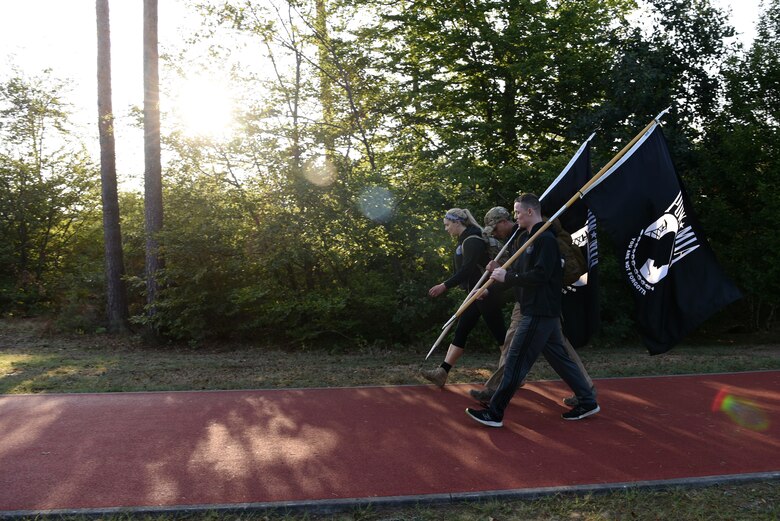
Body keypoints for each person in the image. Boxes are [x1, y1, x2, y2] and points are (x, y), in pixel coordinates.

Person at [465, 194, 599, 427]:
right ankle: (587, 401)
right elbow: (520, 275)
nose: (515, 217)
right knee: (559, 359)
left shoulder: (545, 239)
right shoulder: (526, 238)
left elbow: (542, 276)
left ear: (530, 212)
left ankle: (495, 413)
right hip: (537, 309)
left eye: (517, 212)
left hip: (538, 310)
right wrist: (500, 273)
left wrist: (508, 275)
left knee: (516, 361)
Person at [421, 208, 506, 388]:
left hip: (485, 293)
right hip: (475, 294)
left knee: (500, 334)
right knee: (462, 330)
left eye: (447, 225)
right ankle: (442, 372)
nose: (446, 229)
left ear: (457, 222)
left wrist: (444, 285)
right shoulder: (466, 239)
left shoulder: (472, 240)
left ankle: (515, 373)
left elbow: (466, 270)